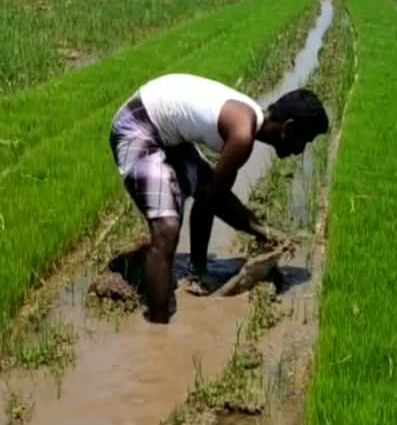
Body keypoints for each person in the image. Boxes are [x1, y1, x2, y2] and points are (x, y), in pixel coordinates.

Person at [109, 73, 329, 324]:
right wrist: (202, 269)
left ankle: (193, 271)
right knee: (167, 229)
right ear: (288, 127)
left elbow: (214, 196)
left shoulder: (248, 118)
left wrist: (261, 230)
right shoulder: (242, 134)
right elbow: (206, 203)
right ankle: (157, 324)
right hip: (137, 126)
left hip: (167, 134)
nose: (301, 150)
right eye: (305, 140)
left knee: (204, 186)